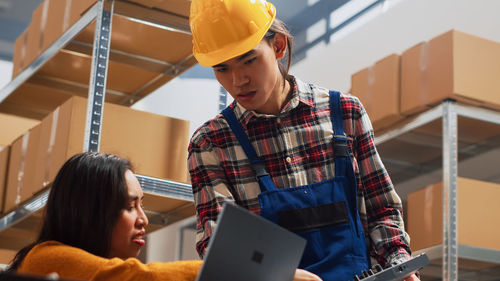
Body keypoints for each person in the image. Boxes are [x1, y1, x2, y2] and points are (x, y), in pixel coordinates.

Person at [187, 0, 419, 280]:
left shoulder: (345, 113)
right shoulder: (210, 144)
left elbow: (382, 209)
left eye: (248, 60)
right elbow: (220, 248)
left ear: (278, 46)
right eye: (222, 68)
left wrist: (400, 266)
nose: (238, 80)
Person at [7, 152, 317, 281]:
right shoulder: (45, 259)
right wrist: (262, 274)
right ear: (89, 212)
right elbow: (140, 278)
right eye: (129, 206)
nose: (144, 219)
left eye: (141, 205)